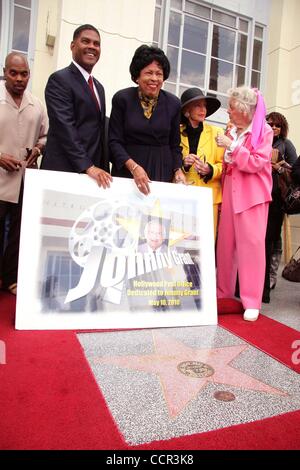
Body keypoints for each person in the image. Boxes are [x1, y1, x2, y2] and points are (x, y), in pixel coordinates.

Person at [215, 86, 273, 322]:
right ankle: (223, 294)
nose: (227, 111)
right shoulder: (233, 130)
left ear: (243, 109)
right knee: (225, 245)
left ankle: (251, 301)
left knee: (251, 248)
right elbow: (230, 162)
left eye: (231, 107)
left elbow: (256, 163)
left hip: (253, 196)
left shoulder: (264, 131)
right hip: (231, 192)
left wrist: (231, 146)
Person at [0, 53, 48, 295]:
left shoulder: (36, 104)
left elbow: (46, 135)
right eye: (14, 73)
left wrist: (39, 148)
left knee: (19, 233)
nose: (19, 78)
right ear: (5, 72)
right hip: (0, 181)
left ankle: (10, 279)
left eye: (24, 73)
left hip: (26, 180)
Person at [108, 45, 186, 195]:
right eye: (149, 73)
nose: (154, 79)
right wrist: (134, 168)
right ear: (137, 76)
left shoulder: (174, 103)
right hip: (128, 171)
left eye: (159, 74)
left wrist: (178, 170)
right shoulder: (122, 99)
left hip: (161, 171)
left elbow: (175, 146)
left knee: (155, 216)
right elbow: (114, 141)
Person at [41, 24, 111, 188]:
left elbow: (98, 132)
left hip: (92, 176)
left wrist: (100, 166)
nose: (92, 47)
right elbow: (65, 128)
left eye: (96, 43)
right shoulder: (59, 80)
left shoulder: (99, 87)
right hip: (64, 170)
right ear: (72, 46)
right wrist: (88, 166)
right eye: (85, 41)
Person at [180, 88, 224, 239]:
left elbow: (224, 165)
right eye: (198, 105)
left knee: (205, 245)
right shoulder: (176, 133)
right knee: (182, 242)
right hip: (183, 196)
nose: (203, 110)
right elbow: (170, 161)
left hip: (208, 198)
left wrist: (210, 169)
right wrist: (183, 164)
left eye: (204, 106)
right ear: (187, 110)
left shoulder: (217, 132)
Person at [263, 112, 297, 302]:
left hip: (278, 197)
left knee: (274, 237)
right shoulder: (261, 141)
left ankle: (272, 275)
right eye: (270, 124)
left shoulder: (286, 144)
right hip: (260, 194)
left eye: (277, 125)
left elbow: (295, 172)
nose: (274, 128)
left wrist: (280, 167)